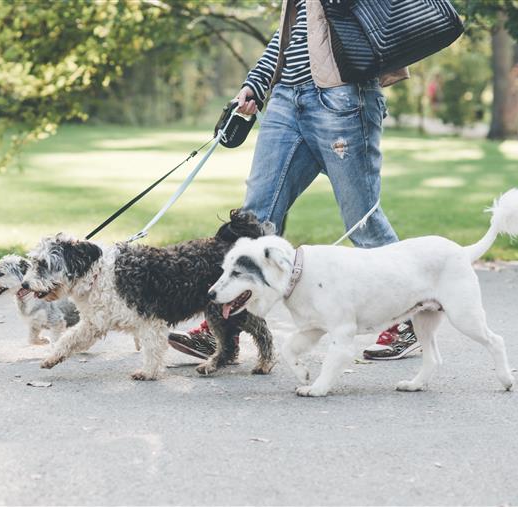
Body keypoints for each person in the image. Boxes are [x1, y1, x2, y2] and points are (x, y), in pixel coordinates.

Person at [167, 0, 419, 362]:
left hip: (343, 96)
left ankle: (408, 314)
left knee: (362, 219)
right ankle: (224, 329)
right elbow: (293, 30)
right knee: (254, 217)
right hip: (287, 97)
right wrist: (256, 81)